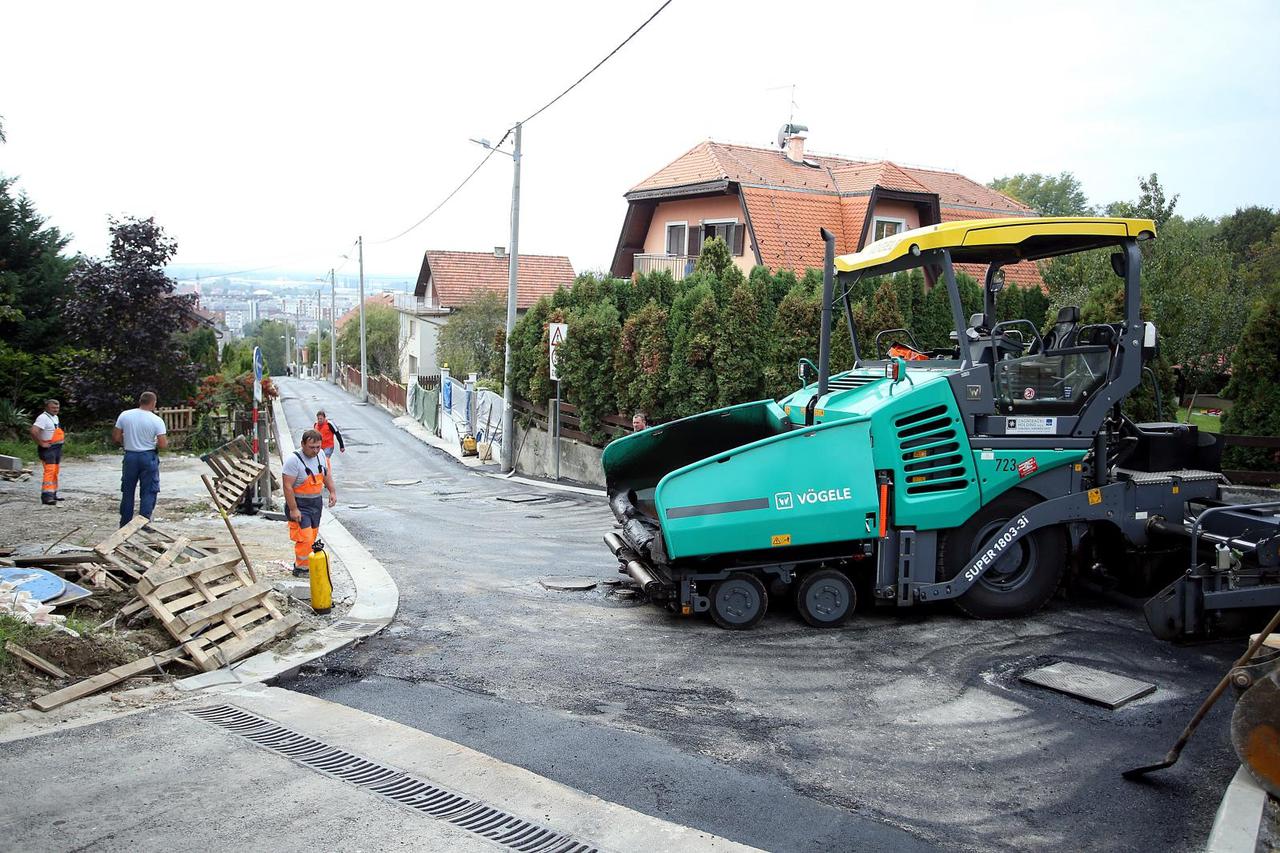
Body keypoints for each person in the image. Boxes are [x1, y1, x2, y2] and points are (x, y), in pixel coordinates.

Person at [283, 429, 337, 576]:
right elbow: (287, 486)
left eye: (318, 447)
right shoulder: (293, 461)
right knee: (305, 538)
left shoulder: (321, 456)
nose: (315, 450)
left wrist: (332, 491)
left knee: (312, 536)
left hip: (315, 504)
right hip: (299, 505)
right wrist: (293, 509)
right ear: (303, 444)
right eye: (311, 447)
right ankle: (301, 568)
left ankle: (307, 566)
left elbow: (326, 475)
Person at [112, 391, 168, 527]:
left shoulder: (125, 415)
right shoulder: (156, 420)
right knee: (149, 490)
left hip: (130, 455)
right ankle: (143, 522)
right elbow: (163, 444)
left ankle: (125, 522)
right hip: (148, 456)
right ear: (153, 403)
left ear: (140, 401)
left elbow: (116, 437)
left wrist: (127, 441)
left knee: (128, 490)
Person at [29, 399, 65, 506]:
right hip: (48, 449)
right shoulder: (43, 418)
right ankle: (46, 497)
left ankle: (53, 493)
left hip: (56, 448)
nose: (56, 410)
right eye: (53, 408)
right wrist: (41, 443)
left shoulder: (55, 417)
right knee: (49, 471)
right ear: (47, 407)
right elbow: (34, 431)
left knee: (55, 471)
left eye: (57, 408)